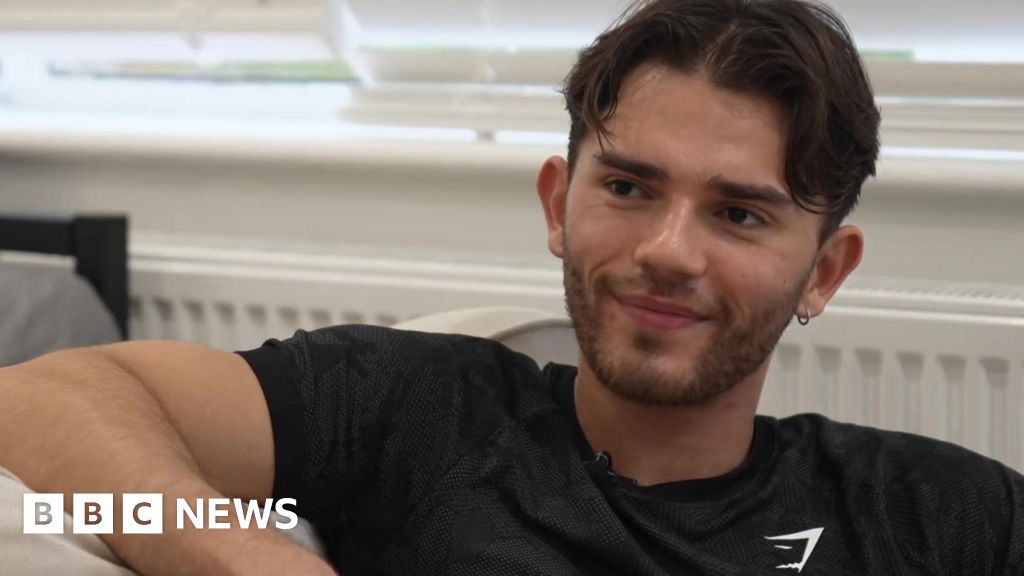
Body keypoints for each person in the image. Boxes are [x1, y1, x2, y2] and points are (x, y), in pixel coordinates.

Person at [1, 0, 1021, 574]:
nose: (669, 250)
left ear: (824, 271)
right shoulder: (410, 413)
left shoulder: (937, 516)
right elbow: (39, 400)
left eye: (740, 213)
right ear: (556, 204)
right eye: (627, 186)